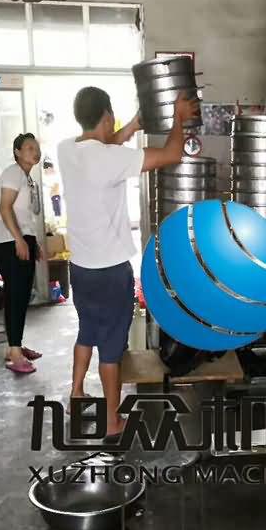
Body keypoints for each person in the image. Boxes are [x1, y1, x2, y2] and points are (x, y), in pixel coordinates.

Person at [57, 87, 198, 438]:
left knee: (87, 329)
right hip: (110, 272)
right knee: (112, 348)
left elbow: (105, 144)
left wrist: (134, 125)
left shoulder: (66, 149)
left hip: (81, 268)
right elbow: (172, 154)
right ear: (107, 116)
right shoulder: (111, 159)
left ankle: (76, 393)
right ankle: (111, 421)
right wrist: (179, 119)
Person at [0, 133, 42, 374]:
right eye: (29, 147)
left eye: (36, 147)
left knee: (20, 297)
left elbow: (25, 216)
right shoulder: (13, 173)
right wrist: (19, 240)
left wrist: (33, 243)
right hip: (10, 244)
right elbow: (5, 208)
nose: (35, 151)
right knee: (16, 296)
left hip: (21, 241)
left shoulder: (26, 178)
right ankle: (14, 353)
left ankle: (15, 346)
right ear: (17, 152)